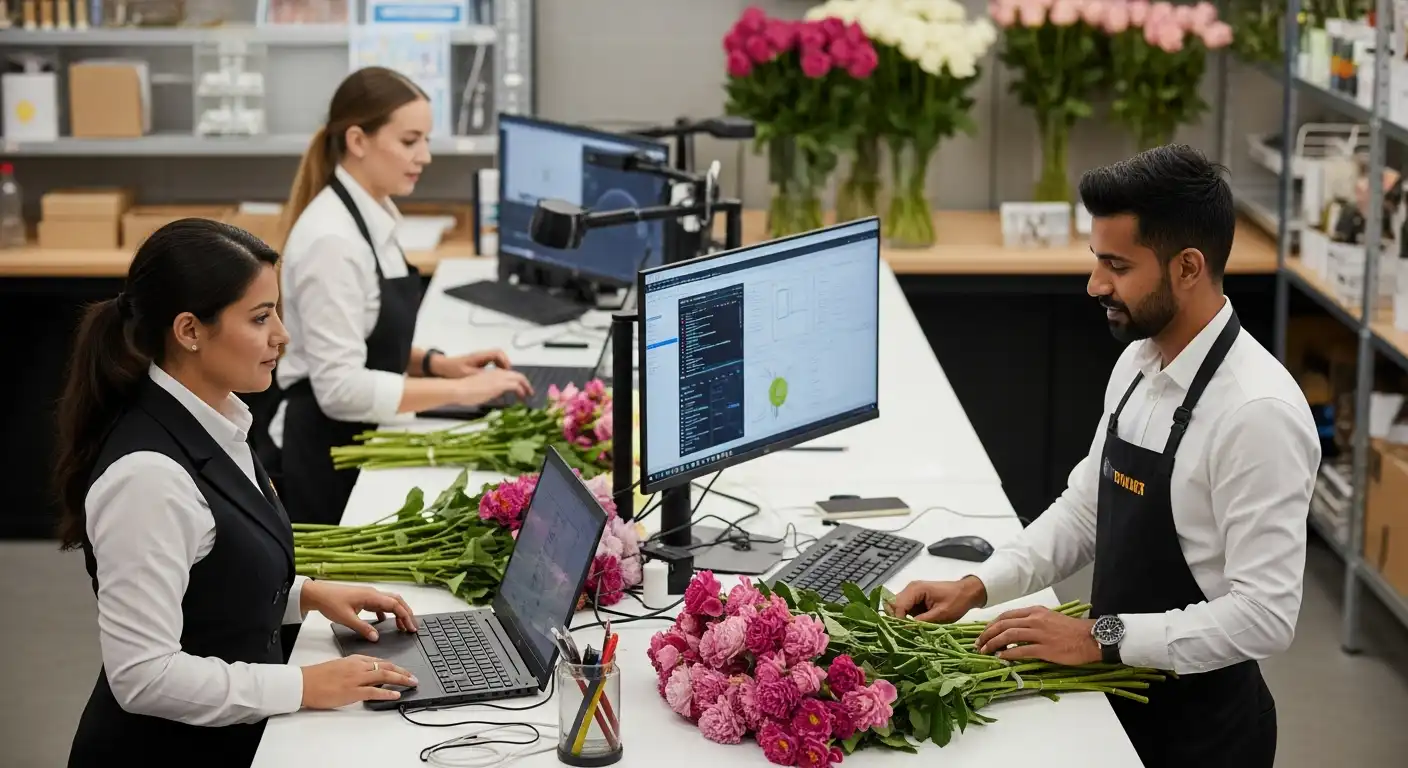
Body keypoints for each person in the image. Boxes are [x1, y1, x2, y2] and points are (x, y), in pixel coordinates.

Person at [889, 145, 1320, 768]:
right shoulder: (1139, 363)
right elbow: (1086, 511)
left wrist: (1100, 635)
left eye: (1117, 265)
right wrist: (979, 585)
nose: (1095, 284)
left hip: (1200, 735)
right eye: (1097, 260)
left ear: (1189, 267)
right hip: (1115, 700)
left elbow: (1265, 616)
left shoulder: (1257, 414)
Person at [54, 219, 423, 768]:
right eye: (260, 317)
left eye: (277, 310)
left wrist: (305, 596)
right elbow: (144, 676)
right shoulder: (147, 479)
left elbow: (208, 575)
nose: (283, 334)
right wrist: (303, 685)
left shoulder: (215, 418)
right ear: (189, 330)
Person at [270, 67, 532, 525]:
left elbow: (358, 334)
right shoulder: (332, 239)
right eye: (410, 141)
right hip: (330, 457)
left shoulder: (373, 214)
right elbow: (339, 387)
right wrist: (461, 390)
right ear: (357, 140)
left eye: (426, 141)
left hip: (364, 438)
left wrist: (436, 364)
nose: (425, 156)